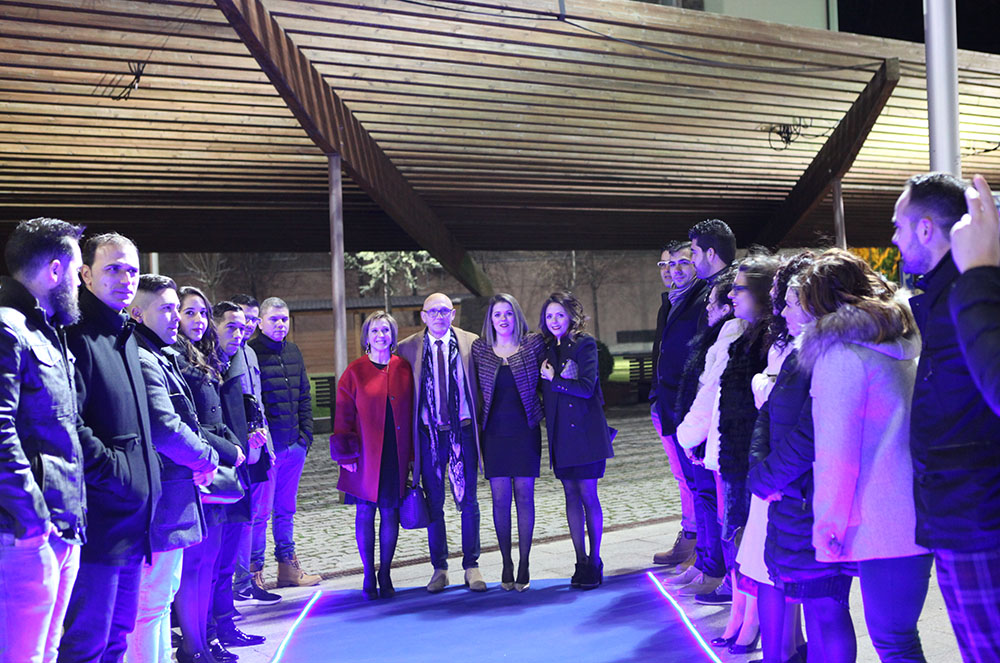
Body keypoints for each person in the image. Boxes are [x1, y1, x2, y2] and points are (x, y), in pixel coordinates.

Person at [798, 248, 931, 662]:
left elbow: (836, 455)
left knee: (894, 640)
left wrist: (828, 528)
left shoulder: (841, 354)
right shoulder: (901, 340)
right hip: (917, 505)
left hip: (882, 515)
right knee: (900, 635)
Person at [892, 172, 1000, 662]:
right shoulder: (948, 292)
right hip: (959, 508)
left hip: (978, 511)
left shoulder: (971, 290)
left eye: (899, 226)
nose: (894, 238)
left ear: (926, 228)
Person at [60, 233, 162, 663]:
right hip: (100, 522)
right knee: (87, 644)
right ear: (86, 275)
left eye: (132, 270)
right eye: (113, 269)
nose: (125, 278)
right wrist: (119, 474)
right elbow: (69, 424)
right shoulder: (76, 335)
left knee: (118, 637)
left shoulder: (125, 333)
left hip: (134, 522)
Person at [0, 218, 86, 663]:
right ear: (55, 271)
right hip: (25, 532)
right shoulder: (9, 328)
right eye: (76, 269)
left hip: (58, 526)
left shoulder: (45, 331)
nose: (80, 280)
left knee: (46, 652)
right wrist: (32, 515)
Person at [747, 256, 840, 663]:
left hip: (806, 499)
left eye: (789, 303)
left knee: (825, 610)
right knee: (806, 598)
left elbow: (811, 434)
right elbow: (767, 416)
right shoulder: (799, 352)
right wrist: (759, 469)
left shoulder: (827, 354)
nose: (781, 312)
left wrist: (766, 477)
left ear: (813, 304)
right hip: (787, 495)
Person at [128, 275, 219, 663]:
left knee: (160, 602)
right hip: (164, 496)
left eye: (173, 308)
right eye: (165, 309)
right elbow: (166, 427)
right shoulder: (144, 357)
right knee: (150, 605)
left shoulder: (155, 353)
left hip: (173, 492)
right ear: (138, 313)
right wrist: (205, 458)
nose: (174, 317)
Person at [174, 286, 245, 663]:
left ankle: (206, 640)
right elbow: (190, 424)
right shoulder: (175, 359)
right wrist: (229, 449)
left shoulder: (205, 356)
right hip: (196, 470)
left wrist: (233, 443)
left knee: (210, 562)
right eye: (190, 313)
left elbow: (216, 418)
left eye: (202, 313)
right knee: (194, 565)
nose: (199, 320)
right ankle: (193, 646)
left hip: (215, 466)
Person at [397, 293, 486, 593]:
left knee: (469, 500)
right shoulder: (407, 348)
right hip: (429, 435)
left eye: (444, 311)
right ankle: (440, 568)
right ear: (423, 316)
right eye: (432, 311)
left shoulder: (470, 342)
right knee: (434, 501)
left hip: (463, 431)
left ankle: (472, 565)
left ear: (453, 314)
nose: (439, 316)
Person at [331, 311, 414, 600]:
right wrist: (345, 455)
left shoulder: (403, 368)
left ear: (393, 336)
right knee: (365, 513)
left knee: (390, 512)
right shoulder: (355, 371)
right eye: (375, 331)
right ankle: (368, 574)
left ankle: (386, 572)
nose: (381, 336)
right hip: (364, 455)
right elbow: (343, 414)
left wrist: (412, 456)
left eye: (386, 330)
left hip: (395, 452)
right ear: (367, 336)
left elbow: (412, 411)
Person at [539, 291, 615, 590]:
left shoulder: (585, 344)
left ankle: (595, 561)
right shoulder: (547, 348)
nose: (554, 320)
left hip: (585, 434)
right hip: (560, 435)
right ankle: (580, 560)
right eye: (549, 316)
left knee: (587, 495)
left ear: (571, 316)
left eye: (559, 315)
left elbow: (586, 388)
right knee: (570, 496)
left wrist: (555, 380)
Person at [471, 294, 545, 591]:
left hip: (525, 431)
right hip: (494, 434)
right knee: (500, 501)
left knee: (525, 498)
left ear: (517, 316)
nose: (503, 319)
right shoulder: (480, 349)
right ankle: (506, 563)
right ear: (490, 320)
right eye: (497, 314)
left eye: (508, 313)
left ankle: (524, 562)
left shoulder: (533, 345)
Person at [248, 297, 321, 588]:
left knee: (286, 510)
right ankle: (254, 572)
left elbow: (304, 394)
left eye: (284, 319)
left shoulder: (293, 351)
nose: (280, 324)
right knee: (260, 513)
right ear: (260, 323)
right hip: (269, 449)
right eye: (274, 319)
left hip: (294, 446)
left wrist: (305, 437)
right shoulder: (251, 353)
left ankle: (287, 566)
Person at [209, 302, 266, 652]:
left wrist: (253, 433)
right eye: (231, 327)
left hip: (238, 469)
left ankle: (225, 623)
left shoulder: (235, 362)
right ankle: (209, 631)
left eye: (243, 328)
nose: (239, 334)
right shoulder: (206, 367)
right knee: (212, 561)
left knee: (227, 558)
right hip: (215, 474)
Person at [649, 242, 707, 567]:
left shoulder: (700, 300)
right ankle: (691, 536)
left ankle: (698, 545)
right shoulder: (670, 302)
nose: (672, 270)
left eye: (681, 263)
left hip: (686, 404)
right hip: (665, 403)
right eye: (666, 265)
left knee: (695, 478)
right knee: (682, 476)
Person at [228, 294, 281, 606]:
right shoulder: (227, 351)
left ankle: (249, 579)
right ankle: (236, 583)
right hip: (239, 447)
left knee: (258, 515)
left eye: (252, 319)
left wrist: (268, 445)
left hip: (259, 445)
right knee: (241, 518)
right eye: (243, 319)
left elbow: (257, 403)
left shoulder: (249, 352)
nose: (248, 325)